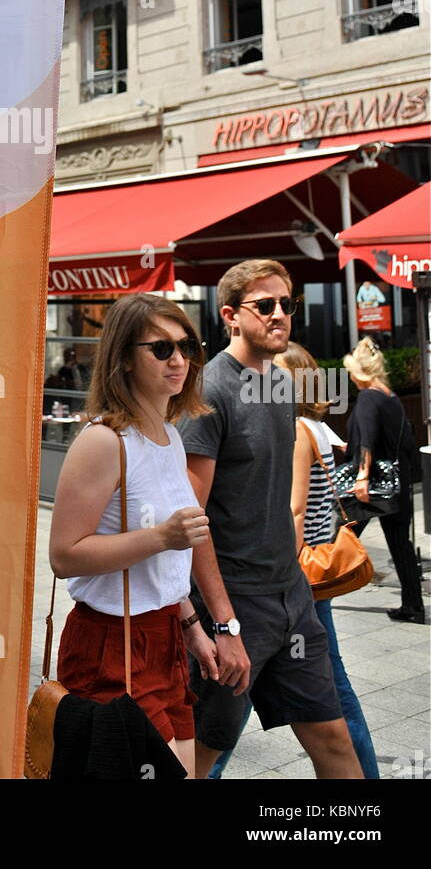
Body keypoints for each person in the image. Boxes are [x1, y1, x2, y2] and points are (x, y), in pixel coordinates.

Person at [178, 258, 363, 779]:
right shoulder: (209, 391)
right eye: (265, 305)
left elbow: (280, 495)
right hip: (236, 603)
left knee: (333, 738)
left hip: (291, 598)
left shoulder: (279, 383)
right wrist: (223, 623)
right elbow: (192, 520)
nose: (280, 314)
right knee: (203, 756)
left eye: (287, 304)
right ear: (231, 316)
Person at [49, 294, 218, 778]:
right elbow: (64, 556)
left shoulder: (169, 434)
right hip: (110, 641)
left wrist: (192, 626)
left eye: (187, 345)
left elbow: (163, 568)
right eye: (161, 349)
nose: (179, 360)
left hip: (164, 636)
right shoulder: (103, 440)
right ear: (124, 356)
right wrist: (162, 536)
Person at [283, 341, 380, 779]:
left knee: (334, 689)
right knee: (332, 685)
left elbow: (295, 510)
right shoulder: (314, 427)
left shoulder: (298, 430)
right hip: (308, 574)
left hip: (300, 574)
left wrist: (284, 571)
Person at [343, 337, 425, 624]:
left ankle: (319, 587)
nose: (351, 378)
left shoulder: (367, 397)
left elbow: (367, 438)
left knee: (340, 535)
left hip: (372, 488)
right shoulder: (390, 396)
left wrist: (362, 477)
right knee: (401, 545)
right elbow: (388, 440)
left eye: (351, 372)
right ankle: (413, 606)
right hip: (396, 484)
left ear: (359, 373)